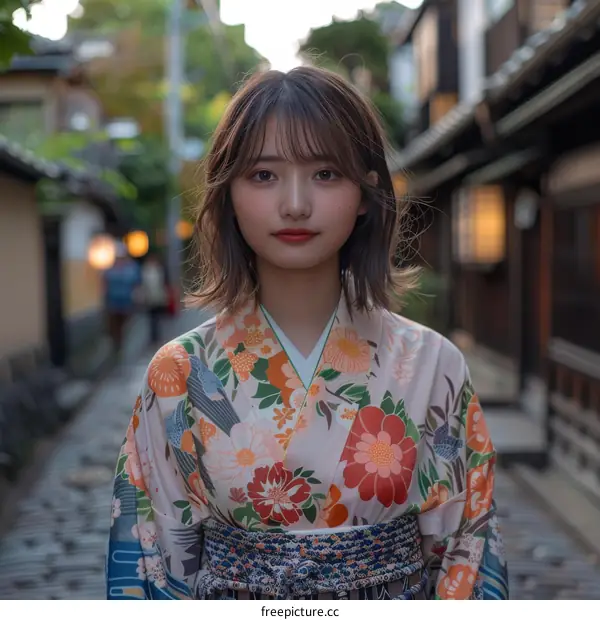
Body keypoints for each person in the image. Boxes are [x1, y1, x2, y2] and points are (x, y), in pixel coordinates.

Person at [106, 66, 509, 600]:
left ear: (365, 192)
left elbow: (465, 551)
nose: (295, 203)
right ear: (228, 195)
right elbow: (152, 559)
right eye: (264, 175)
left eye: (325, 173)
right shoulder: (180, 373)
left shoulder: (433, 364)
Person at [103, 242, 141, 356]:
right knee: (114, 326)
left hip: (126, 301)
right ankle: (116, 345)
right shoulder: (109, 269)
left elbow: (136, 283)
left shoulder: (131, 267)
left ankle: (122, 343)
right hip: (113, 301)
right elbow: (105, 283)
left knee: (125, 325)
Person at [140, 252, 168, 345]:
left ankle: (157, 337)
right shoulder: (146, 271)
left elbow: (163, 283)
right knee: (152, 320)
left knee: (158, 318)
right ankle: (153, 338)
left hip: (158, 297)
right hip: (150, 298)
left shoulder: (159, 270)